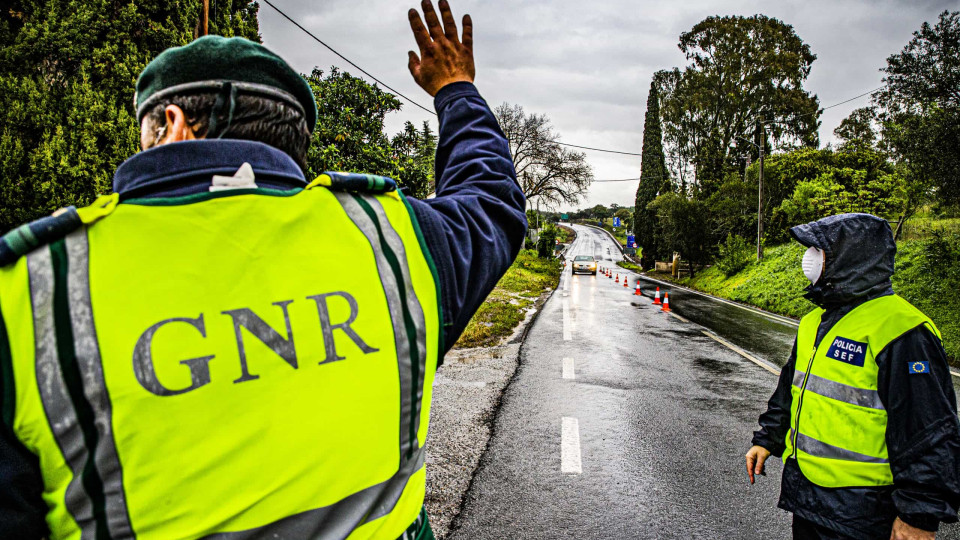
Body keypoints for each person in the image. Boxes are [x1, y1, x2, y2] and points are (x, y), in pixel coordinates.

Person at [0, 0, 525, 538]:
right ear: (296, 136)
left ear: (175, 125)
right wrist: (455, 87)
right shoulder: (392, 241)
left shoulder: (34, 286)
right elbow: (491, 202)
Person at [745, 213, 960, 540]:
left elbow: (929, 430)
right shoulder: (814, 321)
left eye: (820, 250)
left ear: (853, 256)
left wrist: (918, 516)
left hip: (865, 512)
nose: (810, 258)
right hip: (807, 498)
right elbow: (791, 392)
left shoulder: (902, 330)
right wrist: (767, 439)